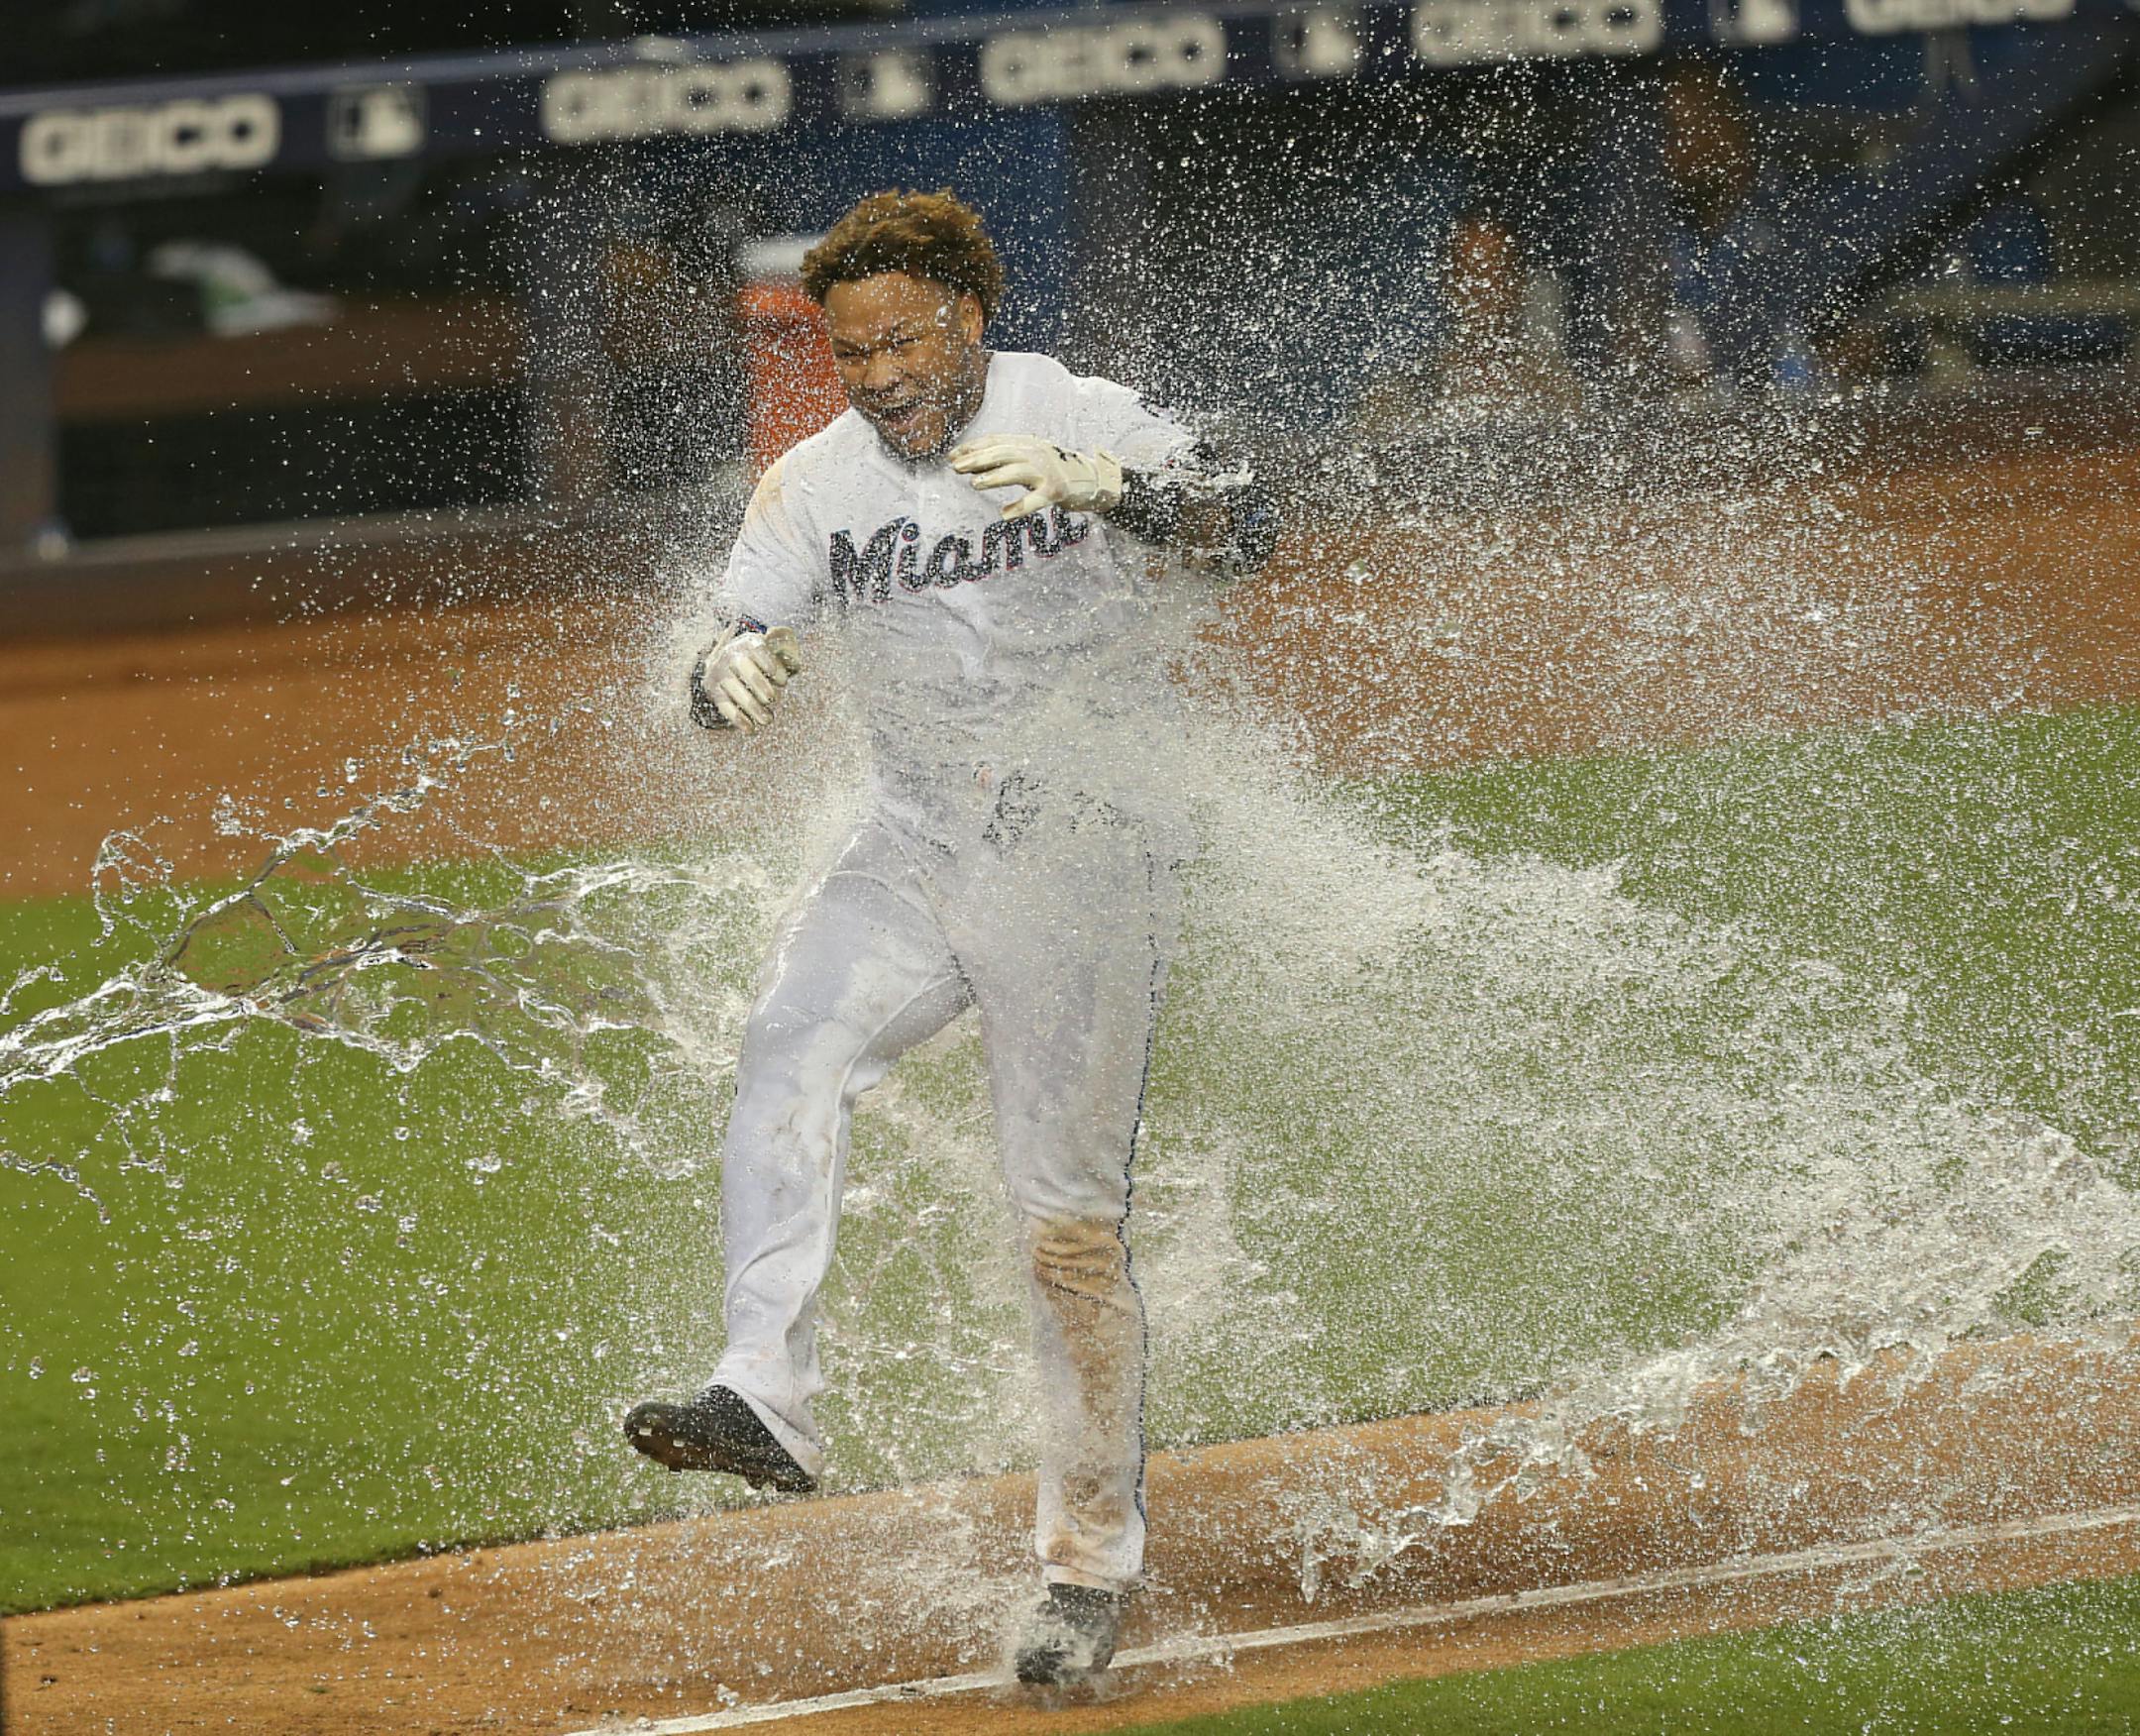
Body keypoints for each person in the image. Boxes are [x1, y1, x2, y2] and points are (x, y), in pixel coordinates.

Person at [623, 188, 1278, 1686]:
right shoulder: (815, 484)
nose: (881, 376)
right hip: (913, 849)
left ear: (971, 317)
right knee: (789, 1042)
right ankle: (762, 1393)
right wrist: (718, 677)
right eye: (852, 354)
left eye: (905, 340)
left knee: (1065, 1229)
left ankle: (1086, 1568)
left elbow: (1248, 528)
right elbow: (726, 639)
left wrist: (1106, 485)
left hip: (1084, 859)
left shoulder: (1078, 409)